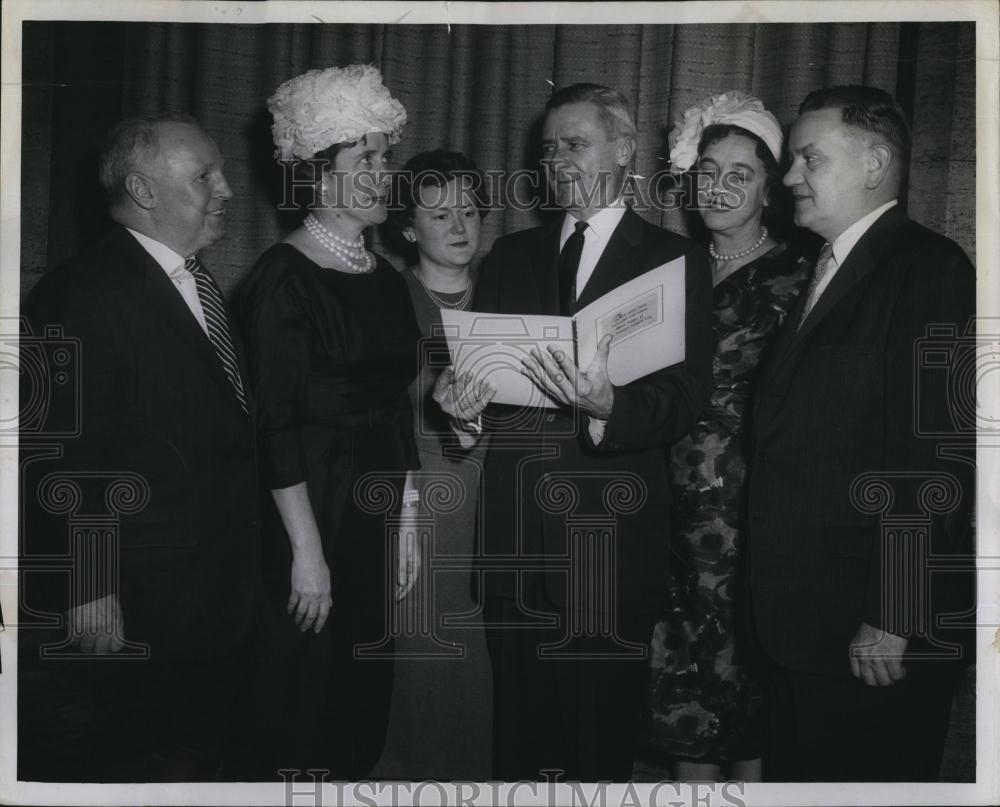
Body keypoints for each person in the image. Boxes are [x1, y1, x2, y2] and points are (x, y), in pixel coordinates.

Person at [437, 82, 714, 781]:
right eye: (549, 147)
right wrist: (462, 414)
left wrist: (607, 405)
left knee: (596, 752)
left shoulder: (674, 261)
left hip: (609, 548)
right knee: (520, 752)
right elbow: (485, 402)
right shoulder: (509, 258)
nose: (558, 159)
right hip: (515, 546)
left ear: (623, 149)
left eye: (576, 143)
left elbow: (683, 400)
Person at [18, 112, 259, 781]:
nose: (227, 190)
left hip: (200, 604)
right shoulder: (80, 291)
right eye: (205, 175)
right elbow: (60, 450)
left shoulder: (196, 284)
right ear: (143, 189)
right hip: (134, 605)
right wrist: (89, 583)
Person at [747, 85, 975, 781]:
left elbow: (932, 455)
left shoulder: (929, 269)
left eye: (808, 159)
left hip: (871, 633)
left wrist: (894, 612)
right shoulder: (828, 267)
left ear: (875, 162)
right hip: (802, 627)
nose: (788, 179)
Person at [236, 64, 422, 780]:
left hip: (372, 503)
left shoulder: (383, 275)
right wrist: (306, 552)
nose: (384, 172)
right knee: (300, 693)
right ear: (320, 175)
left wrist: (406, 516)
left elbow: (394, 401)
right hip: (308, 509)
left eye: (385, 154)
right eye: (366, 158)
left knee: (358, 689)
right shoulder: (282, 277)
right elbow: (274, 426)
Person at [648, 92, 810, 782]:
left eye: (739, 174)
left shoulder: (799, 276)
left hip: (748, 524)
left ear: (770, 188)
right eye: (707, 170)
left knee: (748, 706)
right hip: (668, 517)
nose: (716, 188)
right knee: (686, 705)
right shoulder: (670, 272)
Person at [370, 149, 493, 780]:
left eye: (469, 210)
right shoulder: (390, 298)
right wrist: (407, 511)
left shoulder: (506, 290)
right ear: (407, 228)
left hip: (502, 498)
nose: (459, 225)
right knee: (427, 647)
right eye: (439, 213)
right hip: (426, 498)